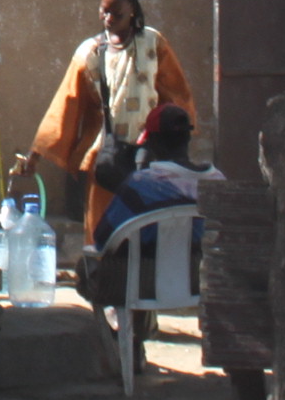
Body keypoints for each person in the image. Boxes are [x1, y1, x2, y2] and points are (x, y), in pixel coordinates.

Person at [13, 0, 197, 243]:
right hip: (106, 159)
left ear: (132, 11)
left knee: (144, 230)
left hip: (149, 156)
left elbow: (176, 95)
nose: (108, 19)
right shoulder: (89, 53)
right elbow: (65, 105)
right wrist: (35, 155)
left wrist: (178, 139)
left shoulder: (154, 44)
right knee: (102, 231)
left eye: (116, 13)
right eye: (104, 11)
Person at [81, 104, 211, 305]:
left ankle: (125, 323)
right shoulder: (215, 180)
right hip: (200, 280)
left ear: (153, 142)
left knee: (87, 267)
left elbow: (102, 238)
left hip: (142, 286)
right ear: (188, 138)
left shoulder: (140, 185)